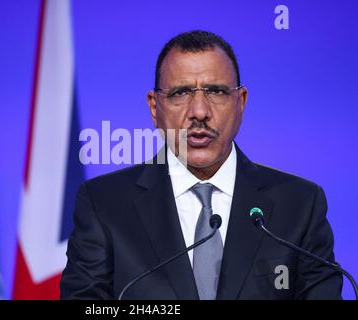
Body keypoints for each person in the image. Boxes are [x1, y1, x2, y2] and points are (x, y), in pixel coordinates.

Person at [60, 30, 343, 299]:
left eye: (217, 92)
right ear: (154, 108)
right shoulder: (103, 204)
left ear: (241, 102)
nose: (199, 112)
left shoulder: (300, 206)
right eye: (180, 93)